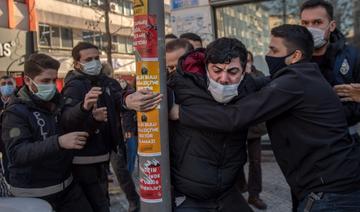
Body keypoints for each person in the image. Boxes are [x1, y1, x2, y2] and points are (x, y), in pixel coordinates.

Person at [172, 24, 360, 212]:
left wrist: (180, 112)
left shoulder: (292, 82)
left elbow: (233, 118)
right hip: (327, 187)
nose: (223, 79)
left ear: (295, 56)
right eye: (216, 70)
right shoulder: (303, 77)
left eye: (273, 49)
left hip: (329, 193)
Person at [61, 42, 162, 212]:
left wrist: (128, 100)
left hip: (104, 155)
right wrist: (85, 110)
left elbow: (119, 97)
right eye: (89, 59)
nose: (95, 62)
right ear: (78, 64)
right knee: (93, 204)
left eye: (96, 58)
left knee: (103, 201)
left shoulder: (107, 82)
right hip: (82, 158)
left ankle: (132, 202)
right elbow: (67, 119)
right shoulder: (74, 86)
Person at [168, 37, 266, 211]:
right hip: (190, 197)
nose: (223, 78)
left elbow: (280, 83)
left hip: (227, 192)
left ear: (245, 71)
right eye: (217, 70)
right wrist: (127, 99)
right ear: (206, 68)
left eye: (233, 71)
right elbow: (144, 95)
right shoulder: (183, 85)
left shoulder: (247, 86)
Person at [1, 53, 93, 211]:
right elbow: (17, 154)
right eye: (45, 81)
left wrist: (85, 110)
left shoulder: (57, 102)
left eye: (54, 80)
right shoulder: (15, 112)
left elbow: (68, 119)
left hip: (67, 190)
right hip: (31, 196)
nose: (51, 85)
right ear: (28, 80)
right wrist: (59, 142)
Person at [300, 0, 360, 139]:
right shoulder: (293, 58)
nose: (310, 28)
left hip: (346, 140)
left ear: (332, 26)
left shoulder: (353, 56)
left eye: (317, 22)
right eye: (305, 23)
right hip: (306, 142)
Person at [237, 51, 267, 210]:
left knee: (255, 161)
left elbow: (262, 94)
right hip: (239, 125)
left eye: (249, 60)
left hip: (254, 127)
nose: (247, 63)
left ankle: (254, 195)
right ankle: (241, 185)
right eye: (244, 60)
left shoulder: (259, 74)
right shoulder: (235, 74)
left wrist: (249, 75)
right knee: (238, 159)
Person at [0, 75, 16, 197]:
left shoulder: (20, 100)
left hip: (14, 140)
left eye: (9, 83)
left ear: (15, 85)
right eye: (3, 83)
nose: (6, 86)